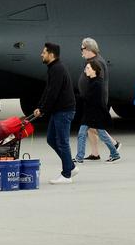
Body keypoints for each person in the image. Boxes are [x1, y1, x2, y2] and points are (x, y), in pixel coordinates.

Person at [29, 43, 76, 184]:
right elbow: (48, 90)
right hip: (59, 110)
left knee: (62, 142)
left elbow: (53, 93)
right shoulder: (53, 68)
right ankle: (71, 166)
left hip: (64, 110)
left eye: (44, 52)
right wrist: (40, 107)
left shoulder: (57, 69)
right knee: (51, 139)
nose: (41, 54)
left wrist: (43, 110)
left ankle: (67, 175)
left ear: (51, 54)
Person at [73, 55, 121, 164]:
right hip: (90, 113)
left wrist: (79, 97)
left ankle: (115, 154)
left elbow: (93, 99)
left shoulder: (97, 83)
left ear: (94, 70)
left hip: (95, 114)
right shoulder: (92, 81)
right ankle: (79, 157)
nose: (86, 70)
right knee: (82, 134)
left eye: (88, 68)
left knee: (102, 135)